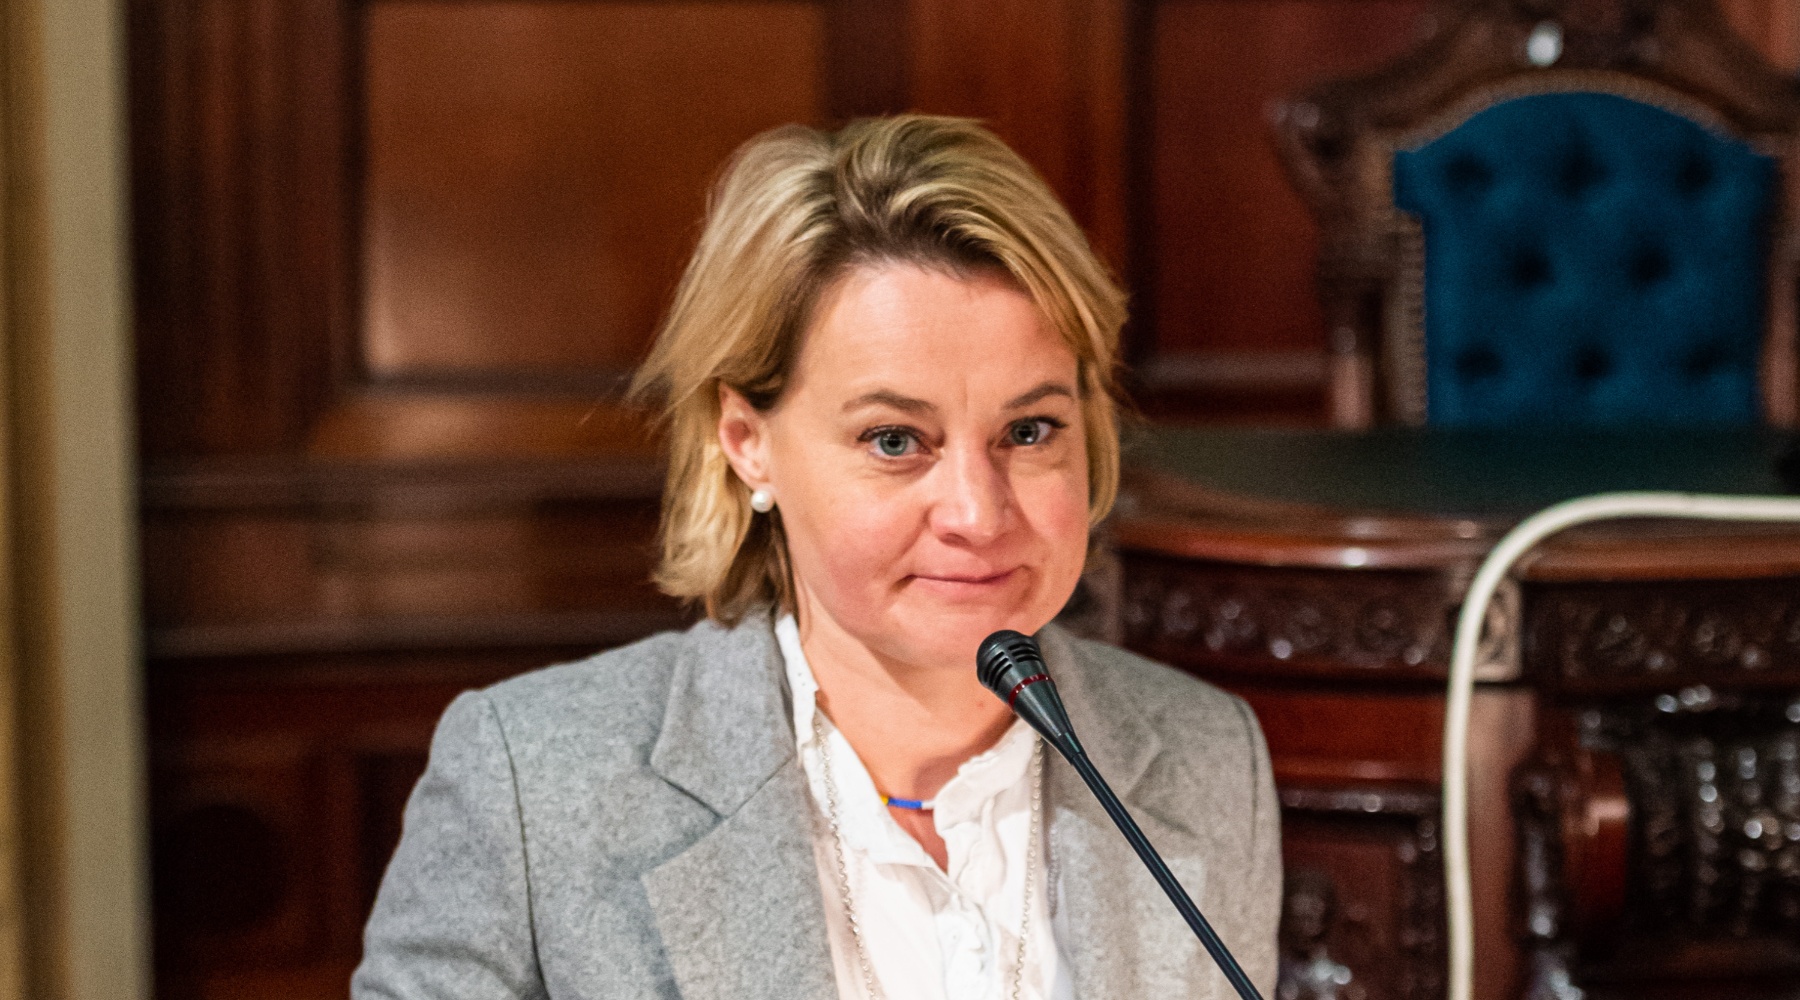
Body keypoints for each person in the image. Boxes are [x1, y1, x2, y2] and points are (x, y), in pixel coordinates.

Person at [353, 115, 1280, 1000]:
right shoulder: (531, 784)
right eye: (894, 440)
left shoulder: (1206, 760)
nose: (977, 512)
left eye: (1029, 430)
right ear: (746, 441)